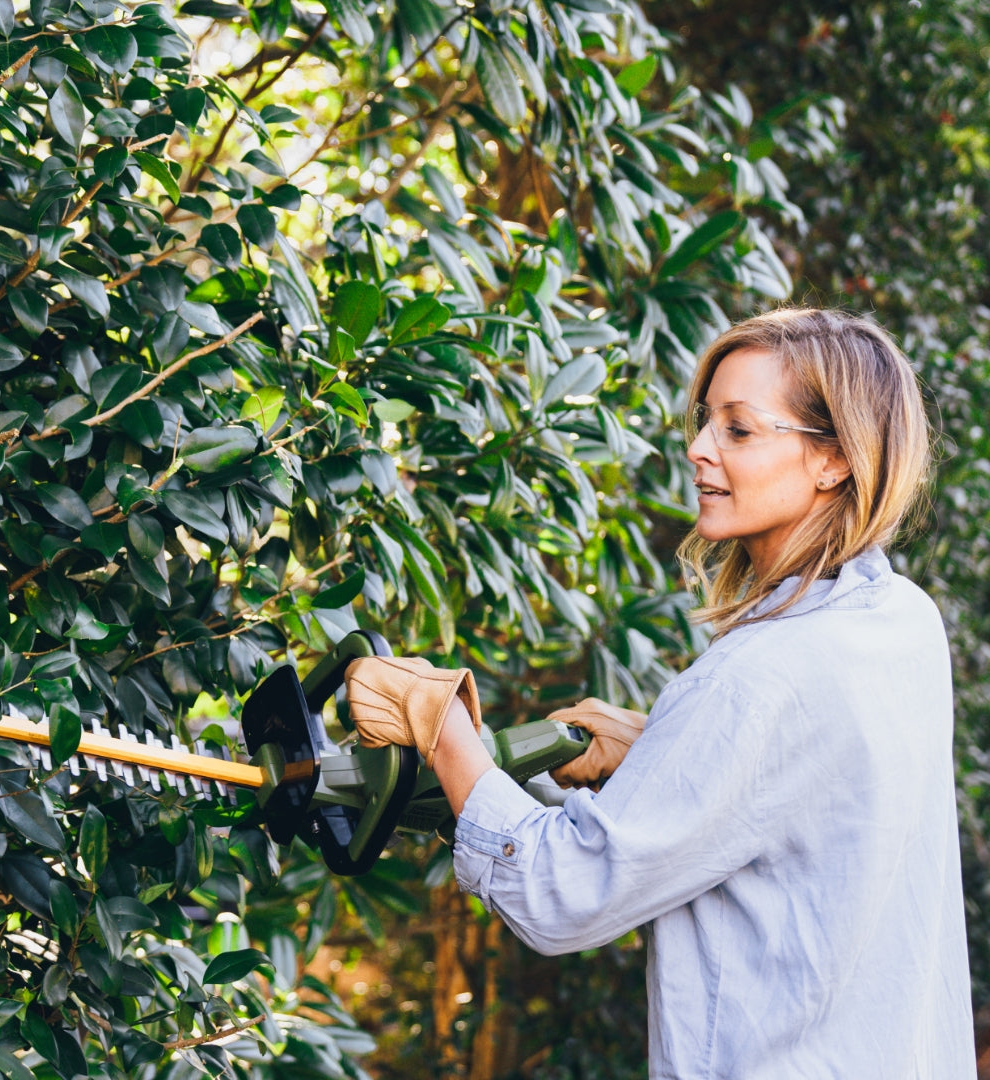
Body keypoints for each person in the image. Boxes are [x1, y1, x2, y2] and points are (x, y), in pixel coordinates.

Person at [345, 307, 976, 1079]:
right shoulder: (898, 619)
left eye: (739, 430)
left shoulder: (757, 678)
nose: (699, 449)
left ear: (834, 458)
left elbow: (562, 893)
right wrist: (662, 750)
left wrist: (440, 724)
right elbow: (826, 799)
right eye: (706, 421)